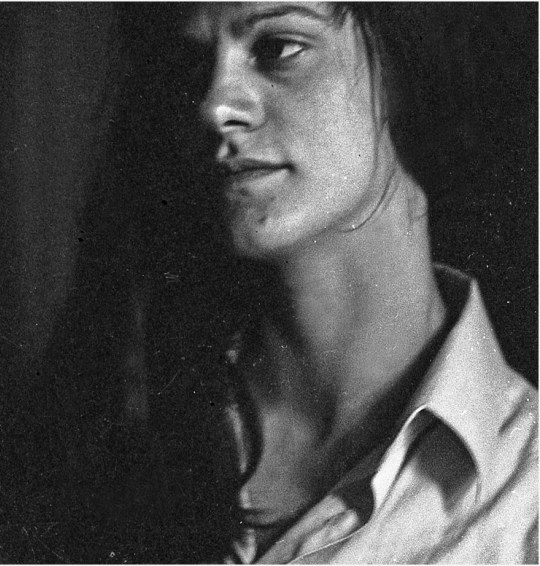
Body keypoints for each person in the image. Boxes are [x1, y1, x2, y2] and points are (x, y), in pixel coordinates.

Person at [148, 3, 537, 563]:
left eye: (277, 49)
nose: (214, 105)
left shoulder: (524, 508)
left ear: (404, 69)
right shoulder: (126, 424)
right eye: (192, 65)